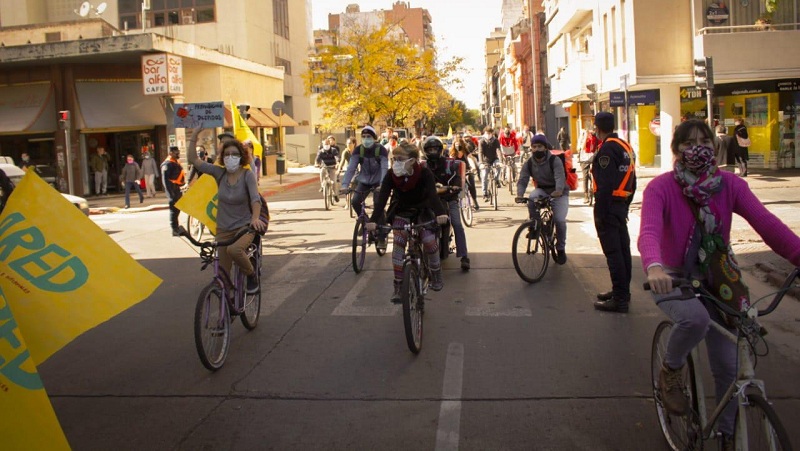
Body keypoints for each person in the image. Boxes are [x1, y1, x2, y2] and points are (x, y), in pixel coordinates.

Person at [639, 119, 800, 447]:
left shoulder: (730, 186)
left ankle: (728, 434)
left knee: (730, 365)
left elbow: (767, 224)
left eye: (704, 140)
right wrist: (654, 268)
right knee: (695, 319)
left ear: (714, 145)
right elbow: (650, 231)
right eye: (688, 142)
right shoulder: (661, 188)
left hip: (720, 277)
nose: (697, 147)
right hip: (673, 277)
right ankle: (670, 371)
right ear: (676, 150)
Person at [366, 142, 449, 303]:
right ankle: (398, 285)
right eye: (394, 159)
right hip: (401, 210)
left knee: (429, 241)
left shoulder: (425, 173)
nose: (395, 162)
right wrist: (373, 220)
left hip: (422, 211)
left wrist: (441, 214)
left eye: (399, 159)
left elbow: (433, 196)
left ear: (412, 160)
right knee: (398, 242)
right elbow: (382, 198)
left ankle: (436, 273)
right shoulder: (391, 175)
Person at [187, 128, 267, 294]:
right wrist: (194, 136)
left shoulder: (247, 175)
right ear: (222, 157)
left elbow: (255, 199)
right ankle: (228, 305)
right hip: (223, 229)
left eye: (234, 154)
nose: (230, 157)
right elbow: (193, 160)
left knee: (235, 250)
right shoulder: (219, 173)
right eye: (227, 154)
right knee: (222, 275)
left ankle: (251, 275)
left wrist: (255, 219)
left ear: (241, 156)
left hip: (244, 227)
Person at [591, 112, 637, 313]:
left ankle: (619, 299)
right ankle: (622, 291)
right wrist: (626, 205)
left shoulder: (607, 150)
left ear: (597, 128)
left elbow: (605, 184)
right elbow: (632, 180)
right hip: (620, 204)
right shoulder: (625, 147)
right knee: (623, 250)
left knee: (613, 253)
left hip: (609, 206)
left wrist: (600, 214)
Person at [515, 134, 569, 265]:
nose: (537, 149)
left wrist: (558, 190)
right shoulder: (529, 163)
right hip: (542, 190)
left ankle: (560, 248)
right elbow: (523, 179)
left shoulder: (554, 160)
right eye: (534, 147)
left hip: (559, 192)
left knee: (559, 220)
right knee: (532, 198)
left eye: (539, 146)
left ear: (545, 148)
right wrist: (520, 194)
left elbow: (560, 177)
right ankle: (536, 226)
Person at [425, 136, 471, 270]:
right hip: (431, 201)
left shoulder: (449, 164)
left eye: (435, 149)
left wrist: (455, 187)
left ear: (440, 150)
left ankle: (464, 256)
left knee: (457, 224)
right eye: (430, 149)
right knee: (420, 223)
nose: (433, 151)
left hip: (449, 198)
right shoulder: (423, 166)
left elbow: (457, 178)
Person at [340, 125, 389, 222]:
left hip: (378, 182)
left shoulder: (381, 150)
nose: (366, 139)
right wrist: (345, 185)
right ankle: (365, 222)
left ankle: (380, 229)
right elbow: (351, 168)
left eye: (369, 136)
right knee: (355, 202)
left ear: (374, 138)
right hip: (364, 181)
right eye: (364, 136)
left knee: (378, 204)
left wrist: (382, 184)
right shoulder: (358, 150)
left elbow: (384, 168)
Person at [161, 146, 185, 236]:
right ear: (170, 153)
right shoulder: (167, 164)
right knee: (173, 210)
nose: (178, 153)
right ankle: (174, 229)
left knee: (177, 209)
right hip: (172, 189)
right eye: (176, 152)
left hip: (177, 189)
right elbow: (165, 181)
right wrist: (170, 194)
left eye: (178, 151)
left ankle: (177, 227)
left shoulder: (175, 162)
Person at [450, 138, 479, 211]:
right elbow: (450, 164)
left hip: (467, 170)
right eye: (456, 144)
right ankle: (458, 202)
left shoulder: (466, 152)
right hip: (457, 173)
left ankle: (474, 200)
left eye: (459, 144)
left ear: (462, 145)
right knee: (457, 185)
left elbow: (471, 159)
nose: (458, 146)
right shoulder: (452, 153)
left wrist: (473, 168)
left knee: (471, 182)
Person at [478, 126, 502, 202]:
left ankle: (496, 179)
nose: (488, 135)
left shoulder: (496, 141)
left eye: (489, 133)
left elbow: (498, 150)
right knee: (484, 175)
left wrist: (500, 161)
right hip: (485, 161)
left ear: (492, 133)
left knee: (499, 167)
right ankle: (485, 194)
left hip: (494, 159)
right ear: (484, 133)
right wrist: (481, 163)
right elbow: (480, 152)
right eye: (486, 133)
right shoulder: (481, 141)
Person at [579, 128, 600, 203]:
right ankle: (586, 195)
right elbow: (582, 147)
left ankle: (596, 193)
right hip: (584, 159)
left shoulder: (596, 137)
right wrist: (585, 136)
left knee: (597, 175)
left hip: (593, 158)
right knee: (585, 177)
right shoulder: (583, 137)